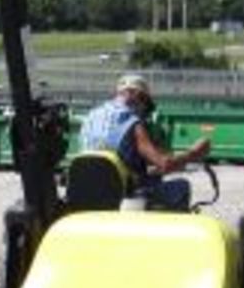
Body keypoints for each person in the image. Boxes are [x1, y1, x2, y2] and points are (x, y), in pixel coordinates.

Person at [78, 72, 210, 211]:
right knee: (182, 186)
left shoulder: (90, 118)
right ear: (139, 97)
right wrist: (194, 153)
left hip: (87, 194)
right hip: (121, 199)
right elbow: (165, 164)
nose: (144, 113)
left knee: (152, 179)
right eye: (146, 106)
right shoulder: (131, 122)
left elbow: (107, 165)